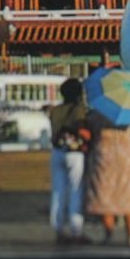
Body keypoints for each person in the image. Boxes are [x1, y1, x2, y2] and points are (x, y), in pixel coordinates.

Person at [83, 109, 130, 247]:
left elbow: (87, 134)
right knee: (128, 194)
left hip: (104, 154)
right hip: (126, 155)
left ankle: (109, 235)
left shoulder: (95, 114)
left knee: (105, 194)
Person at [46, 78, 90, 244]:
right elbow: (82, 131)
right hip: (75, 153)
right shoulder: (79, 110)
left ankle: (58, 229)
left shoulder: (55, 110)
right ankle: (76, 230)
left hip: (57, 151)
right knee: (75, 190)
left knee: (58, 191)